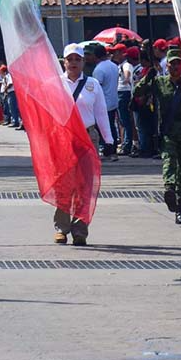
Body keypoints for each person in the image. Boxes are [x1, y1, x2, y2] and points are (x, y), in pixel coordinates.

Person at [134, 49, 181, 225]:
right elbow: (137, 93)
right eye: (172, 63)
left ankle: (180, 209)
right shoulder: (159, 83)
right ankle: (169, 190)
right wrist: (148, 77)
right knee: (169, 161)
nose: (175, 67)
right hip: (168, 132)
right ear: (166, 66)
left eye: (178, 63)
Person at [55, 44, 114, 246]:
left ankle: (80, 230)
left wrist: (109, 140)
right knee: (64, 183)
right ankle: (61, 228)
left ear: (83, 62)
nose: (73, 63)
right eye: (70, 59)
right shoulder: (55, 83)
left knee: (85, 185)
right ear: (64, 62)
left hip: (88, 137)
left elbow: (101, 113)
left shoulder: (93, 84)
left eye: (77, 59)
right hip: (64, 138)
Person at [116, 45, 137, 155]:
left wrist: (127, 79)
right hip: (120, 92)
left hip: (124, 93)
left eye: (117, 52)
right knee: (122, 120)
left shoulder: (126, 65)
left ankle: (127, 144)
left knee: (125, 120)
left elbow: (127, 73)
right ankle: (126, 142)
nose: (115, 55)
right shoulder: (120, 65)